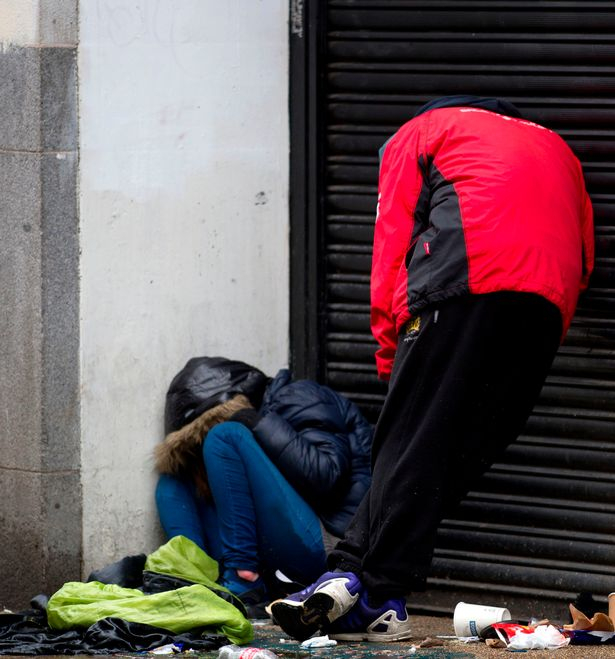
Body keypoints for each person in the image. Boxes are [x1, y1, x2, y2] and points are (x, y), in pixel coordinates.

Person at [271, 96, 595, 642]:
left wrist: (389, 351)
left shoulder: (422, 131)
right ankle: (376, 594)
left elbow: (391, 240)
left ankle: (352, 575)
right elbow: (585, 254)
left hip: (461, 278)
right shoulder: (558, 147)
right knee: (453, 455)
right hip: (545, 303)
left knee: (410, 440)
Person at [154, 357, 373, 615]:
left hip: (333, 544)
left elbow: (326, 475)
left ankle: (244, 579)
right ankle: (194, 582)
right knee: (173, 481)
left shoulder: (299, 395)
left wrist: (257, 423)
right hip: (280, 549)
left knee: (225, 437)